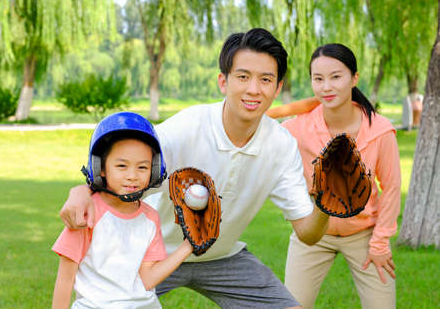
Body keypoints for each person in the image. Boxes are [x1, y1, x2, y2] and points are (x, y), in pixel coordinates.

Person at [59, 28, 331, 308]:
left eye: (265, 79)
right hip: (152, 254)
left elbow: (308, 235)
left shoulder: (281, 145)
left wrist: (325, 203)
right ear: (223, 82)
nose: (253, 89)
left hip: (222, 256)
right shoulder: (186, 128)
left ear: (277, 87)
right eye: (243, 76)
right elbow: (125, 170)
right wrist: (81, 190)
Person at [281, 43, 401, 309]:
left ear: (354, 78)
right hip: (314, 233)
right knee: (290, 305)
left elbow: (391, 188)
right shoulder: (296, 129)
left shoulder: (380, 130)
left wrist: (380, 242)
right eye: (318, 79)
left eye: (336, 77)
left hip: (364, 234)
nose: (326, 87)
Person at [52, 112, 193, 308]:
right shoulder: (87, 212)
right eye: (121, 166)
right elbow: (65, 280)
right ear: (101, 167)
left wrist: (188, 246)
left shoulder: (150, 217)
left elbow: (147, 279)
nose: (132, 176)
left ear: (153, 170)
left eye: (142, 167)